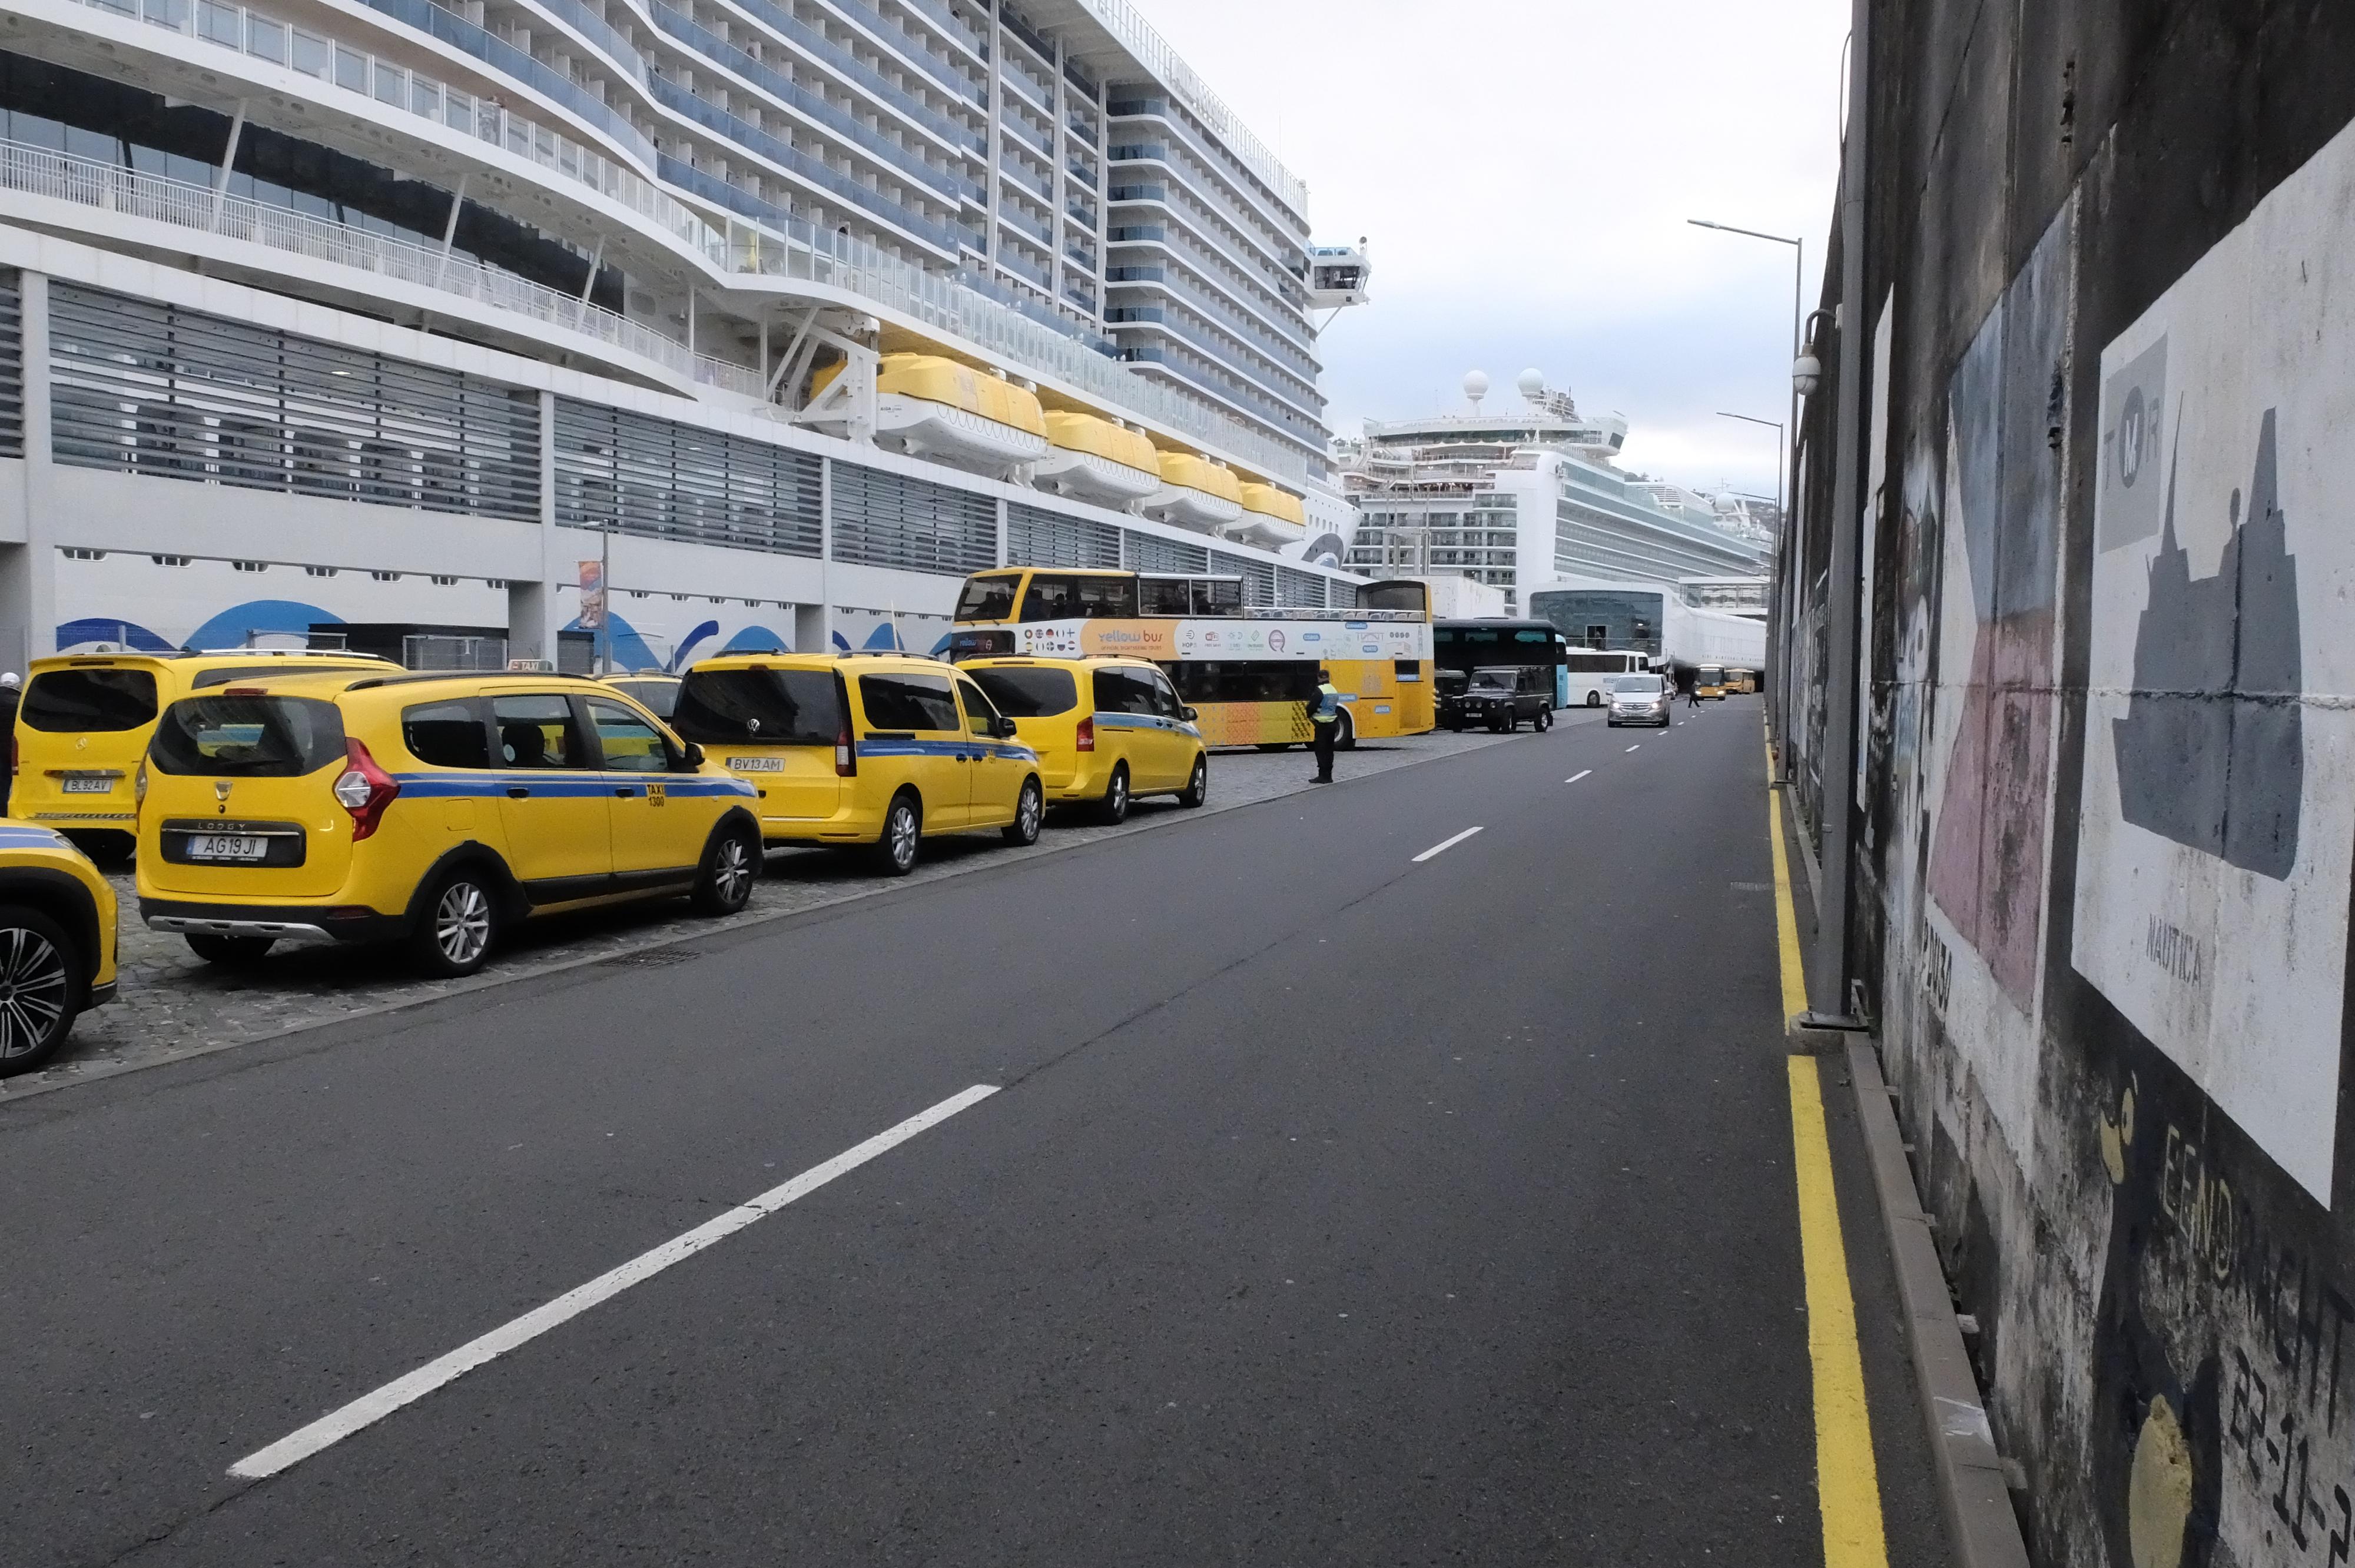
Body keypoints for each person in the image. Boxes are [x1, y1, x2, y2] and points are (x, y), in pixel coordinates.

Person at [1306, 667, 1342, 783]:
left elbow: (1312, 706)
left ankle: (1322, 776)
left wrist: (1309, 715)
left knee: (1321, 750)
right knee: (1329, 750)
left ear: (1319, 678)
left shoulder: (1320, 690)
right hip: (1333, 724)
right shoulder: (1333, 690)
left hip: (1321, 725)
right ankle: (1329, 776)